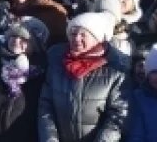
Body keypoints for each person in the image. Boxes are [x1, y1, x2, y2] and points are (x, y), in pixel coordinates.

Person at [38, 12, 129, 142]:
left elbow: (118, 115)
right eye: (73, 34)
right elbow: (46, 106)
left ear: (97, 38)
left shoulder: (115, 71)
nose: (76, 39)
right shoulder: (57, 66)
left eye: (83, 35)